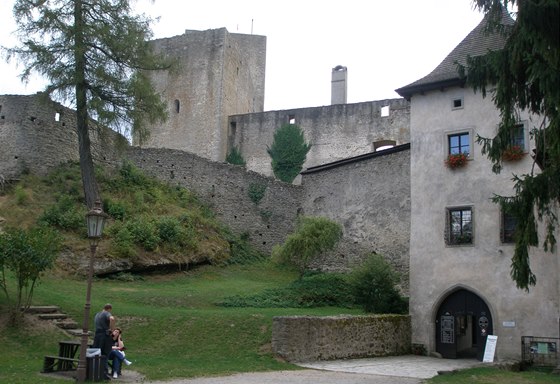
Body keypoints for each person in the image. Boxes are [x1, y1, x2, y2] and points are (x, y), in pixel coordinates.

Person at [93, 304, 115, 380]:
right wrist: (112, 330)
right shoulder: (106, 313)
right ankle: (104, 373)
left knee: (96, 354)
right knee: (105, 354)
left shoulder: (97, 314)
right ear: (109, 309)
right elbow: (112, 319)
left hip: (97, 336)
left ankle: (95, 371)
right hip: (104, 336)